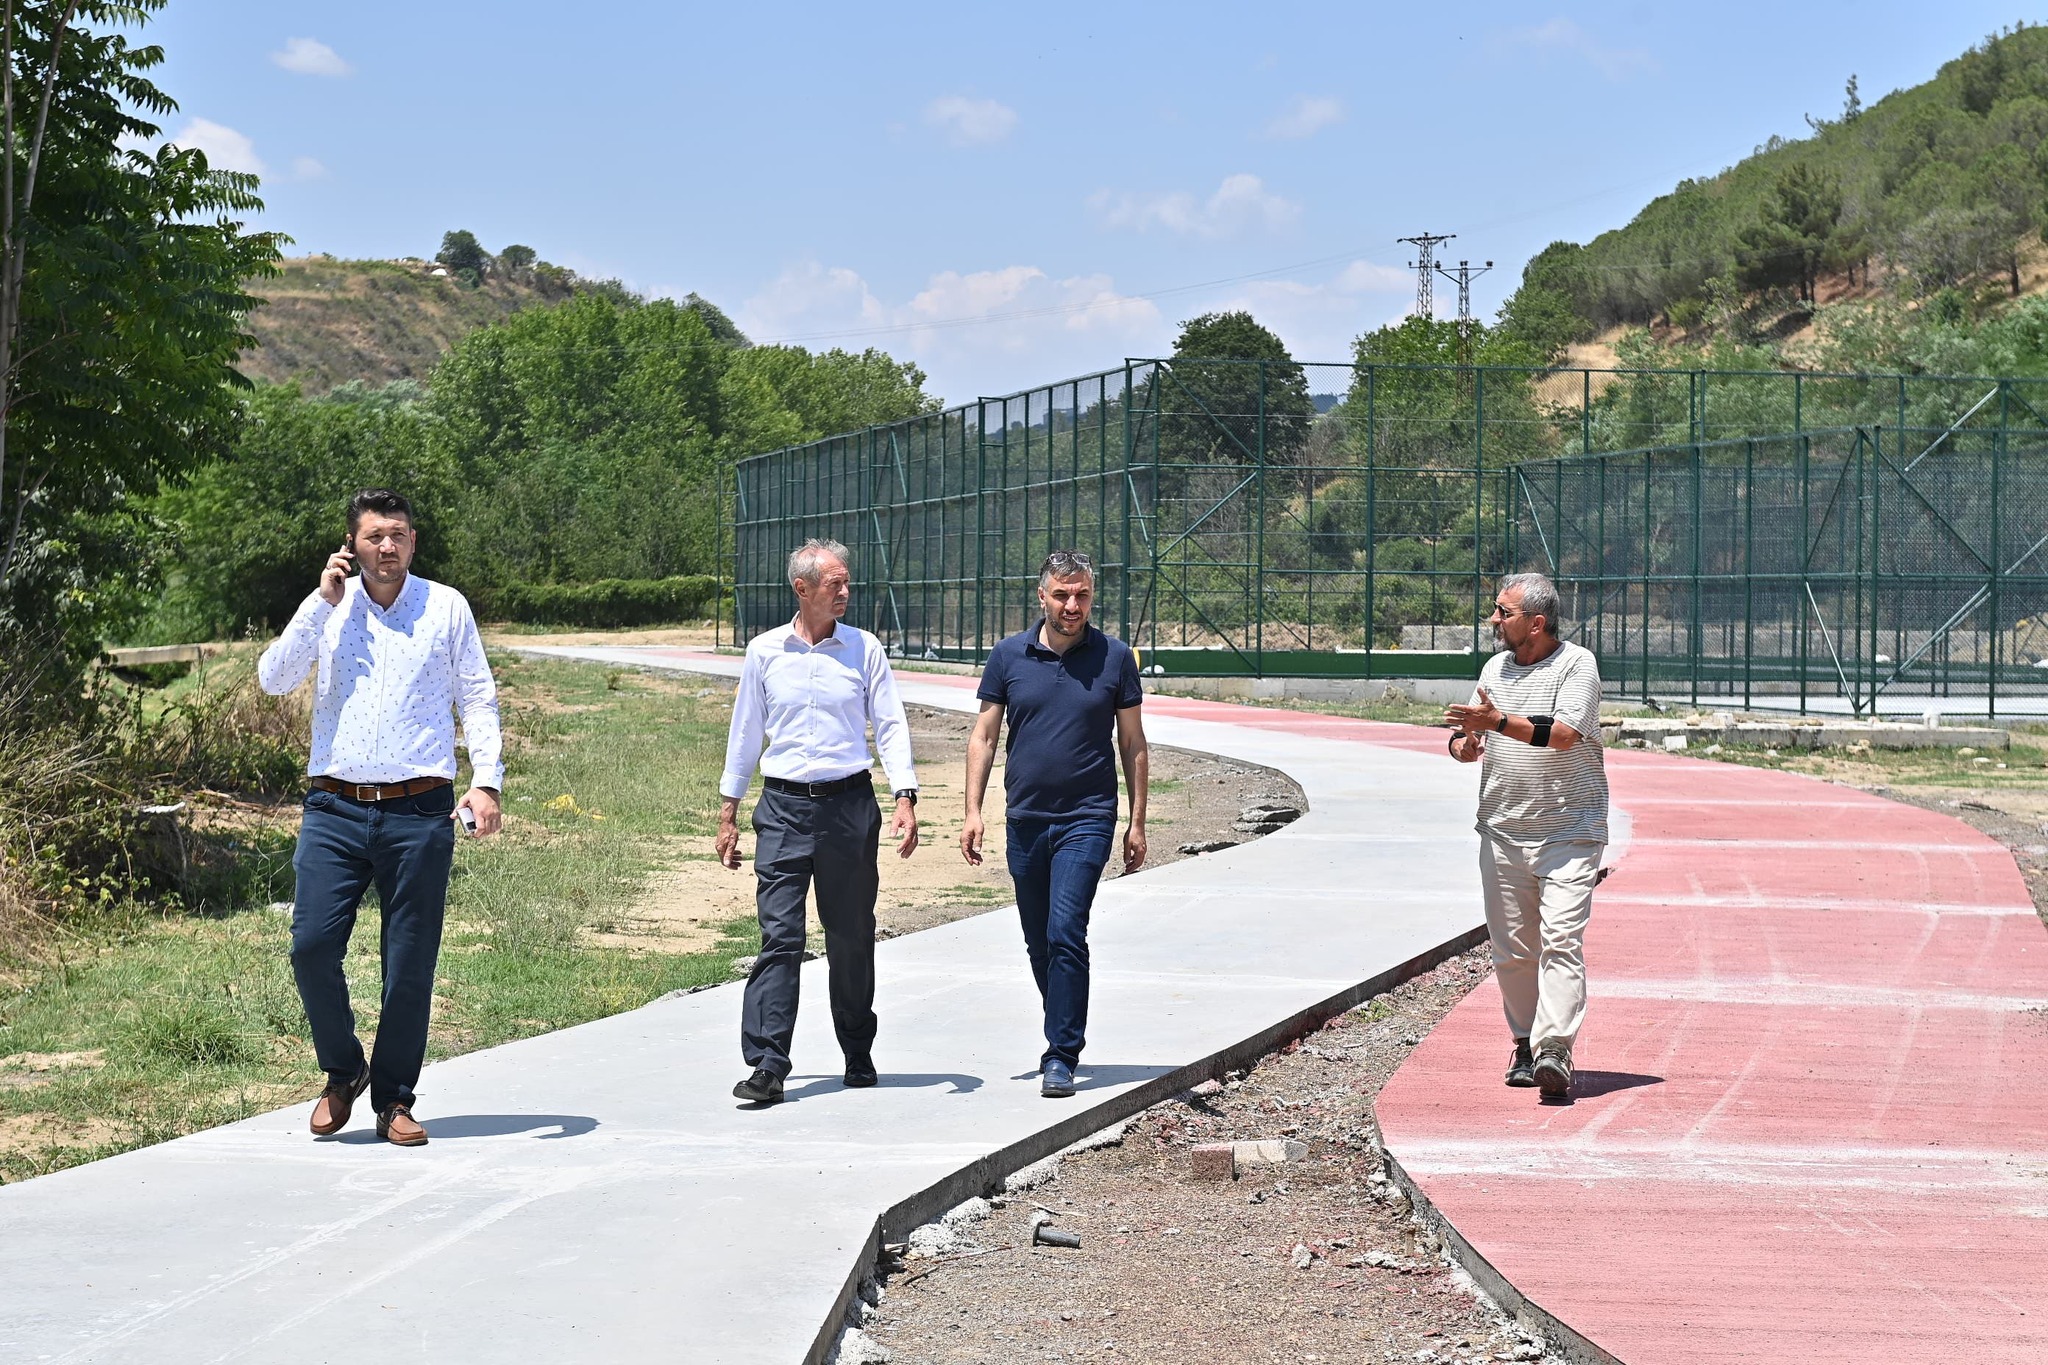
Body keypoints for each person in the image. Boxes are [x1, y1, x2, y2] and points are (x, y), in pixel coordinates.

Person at [258, 489, 503, 1147]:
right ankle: (344, 1070)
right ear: (352, 544)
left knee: (410, 961)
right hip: (334, 807)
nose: (386, 547)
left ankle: (394, 1097)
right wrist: (319, 604)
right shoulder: (329, 609)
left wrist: (487, 783)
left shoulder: (446, 607)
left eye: (397, 534)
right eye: (373, 536)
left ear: (413, 541)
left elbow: (477, 698)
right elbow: (273, 678)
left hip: (420, 810)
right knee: (310, 945)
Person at [717, 539, 919, 1106]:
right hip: (781, 809)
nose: (846, 592)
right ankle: (767, 1064)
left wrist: (905, 795)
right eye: (836, 584)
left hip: (849, 809)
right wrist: (729, 809)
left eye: (847, 582)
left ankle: (857, 1048)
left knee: (850, 934)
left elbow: (891, 724)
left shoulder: (864, 649)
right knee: (779, 937)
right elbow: (746, 733)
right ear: (802, 590)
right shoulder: (763, 652)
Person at [962, 551, 1148, 1099]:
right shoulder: (1007, 656)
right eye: (1063, 595)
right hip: (1024, 819)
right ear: (1041, 596)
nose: (1073, 605)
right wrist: (973, 811)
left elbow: (1133, 743)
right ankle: (1062, 1020)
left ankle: (1061, 1052)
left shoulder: (1114, 658)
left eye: (1083, 595)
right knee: (1038, 943)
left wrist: (1136, 821)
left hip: (1087, 818)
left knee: (1066, 932)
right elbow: (984, 737)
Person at [1444, 572, 1608, 1100]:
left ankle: (1555, 1048)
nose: (1493, 620)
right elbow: (1470, 732)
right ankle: (1524, 1043)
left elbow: (1563, 735)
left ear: (1537, 623)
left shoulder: (1577, 665)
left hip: (1570, 831)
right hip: (1502, 829)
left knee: (1561, 939)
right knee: (1513, 950)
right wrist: (1463, 746)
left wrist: (1496, 722)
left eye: (1503, 612)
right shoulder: (1494, 668)